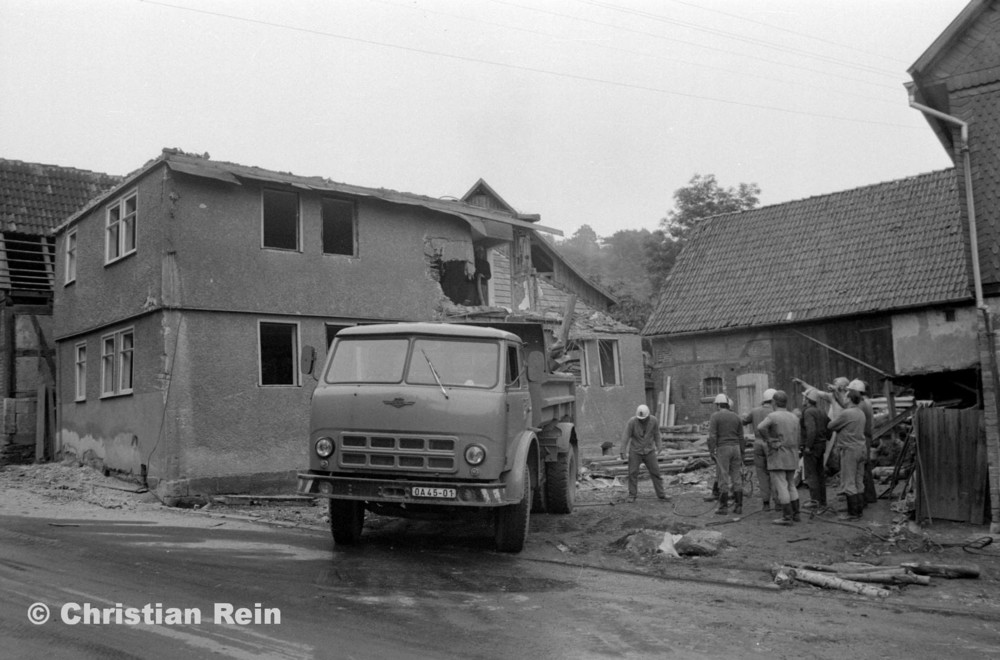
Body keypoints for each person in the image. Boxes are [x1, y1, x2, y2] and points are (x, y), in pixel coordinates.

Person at [757, 391, 801, 525]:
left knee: (781, 485)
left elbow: (760, 427)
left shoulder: (773, 416)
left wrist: (769, 439)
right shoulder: (794, 417)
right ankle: (796, 514)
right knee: (791, 484)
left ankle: (786, 517)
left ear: (774, 402)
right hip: (792, 454)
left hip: (778, 454)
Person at [828, 389, 868, 520]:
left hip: (849, 450)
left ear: (850, 399)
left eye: (845, 397)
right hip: (861, 448)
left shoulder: (846, 414)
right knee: (858, 481)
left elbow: (831, 426)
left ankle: (853, 513)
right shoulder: (860, 412)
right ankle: (860, 510)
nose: (844, 399)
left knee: (848, 482)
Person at [620, 404, 669, 503]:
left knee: (656, 472)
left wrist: (659, 445)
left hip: (649, 451)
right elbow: (626, 436)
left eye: (644, 419)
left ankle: (661, 494)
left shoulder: (653, 421)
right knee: (632, 473)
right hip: (635, 451)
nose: (642, 420)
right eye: (640, 419)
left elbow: (656, 434)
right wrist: (622, 450)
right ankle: (632, 494)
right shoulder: (632, 422)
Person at [708, 394, 745, 514]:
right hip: (736, 448)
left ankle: (723, 507)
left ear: (718, 405)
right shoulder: (736, 416)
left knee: (723, 477)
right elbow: (741, 436)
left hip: (723, 448)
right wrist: (742, 452)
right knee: (736, 476)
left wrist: (711, 450)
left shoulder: (715, 416)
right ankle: (739, 506)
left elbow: (712, 436)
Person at [742, 388, 776, 511]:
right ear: (773, 400)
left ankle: (766, 503)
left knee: (761, 474)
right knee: (774, 473)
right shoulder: (775, 411)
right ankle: (778, 502)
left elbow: (744, 421)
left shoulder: (755, 411)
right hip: (771, 443)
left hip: (757, 443)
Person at [847, 379, 879, 506]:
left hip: (861, 437)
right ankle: (869, 496)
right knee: (865, 467)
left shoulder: (860, 404)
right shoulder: (867, 402)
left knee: (861, 469)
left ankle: (863, 498)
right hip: (866, 436)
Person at [800, 388, 831, 509]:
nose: (803, 399)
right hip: (821, 446)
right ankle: (822, 501)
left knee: (811, 475)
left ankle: (815, 502)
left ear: (807, 400)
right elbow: (830, 425)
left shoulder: (808, 412)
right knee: (819, 474)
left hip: (812, 447)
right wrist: (826, 438)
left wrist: (808, 446)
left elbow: (811, 430)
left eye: (804, 398)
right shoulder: (821, 411)